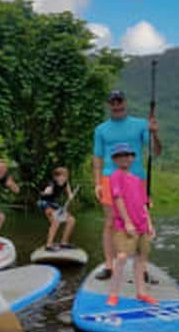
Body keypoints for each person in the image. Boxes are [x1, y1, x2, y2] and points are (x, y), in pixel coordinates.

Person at [93, 90, 162, 280]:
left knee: (141, 223)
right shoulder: (100, 129)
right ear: (109, 104)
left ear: (125, 102)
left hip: (137, 179)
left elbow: (156, 152)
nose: (116, 105)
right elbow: (97, 158)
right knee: (110, 223)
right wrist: (97, 183)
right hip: (109, 178)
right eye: (112, 102)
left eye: (119, 101)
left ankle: (142, 267)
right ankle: (109, 266)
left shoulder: (141, 124)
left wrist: (155, 134)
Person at [106, 143, 157, 307]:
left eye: (127, 155)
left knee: (141, 260)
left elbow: (144, 204)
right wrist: (127, 221)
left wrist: (150, 224)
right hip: (124, 225)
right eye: (120, 155)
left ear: (132, 157)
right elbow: (118, 198)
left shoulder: (137, 180)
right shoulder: (116, 176)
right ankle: (114, 294)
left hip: (142, 225)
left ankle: (141, 293)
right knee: (121, 257)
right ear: (115, 159)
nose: (125, 158)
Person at [38, 167, 76, 251]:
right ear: (55, 177)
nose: (63, 178)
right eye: (61, 176)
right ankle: (49, 245)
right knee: (56, 221)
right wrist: (47, 191)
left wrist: (70, 196)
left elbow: (69, 193)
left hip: (54, 204)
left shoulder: (66, 183)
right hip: (45, 203)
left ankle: (64, 242)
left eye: (65, 176)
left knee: (71, 220)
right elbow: (48, 189)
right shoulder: (52, 184)